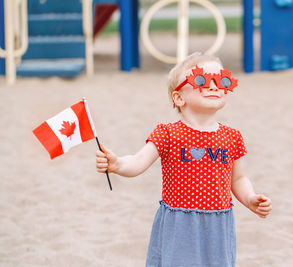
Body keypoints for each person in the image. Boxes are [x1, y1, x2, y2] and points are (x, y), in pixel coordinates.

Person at [96, 52, 272, 267]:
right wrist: (118, 164)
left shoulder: (232, 137)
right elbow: (138, 161)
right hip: (180, 224)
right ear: (179, 97)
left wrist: (250, 198)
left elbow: (238, 179)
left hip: (218, 225)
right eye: (202, 80)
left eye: (222, 80)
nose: (214, 86)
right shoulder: (168, 133)